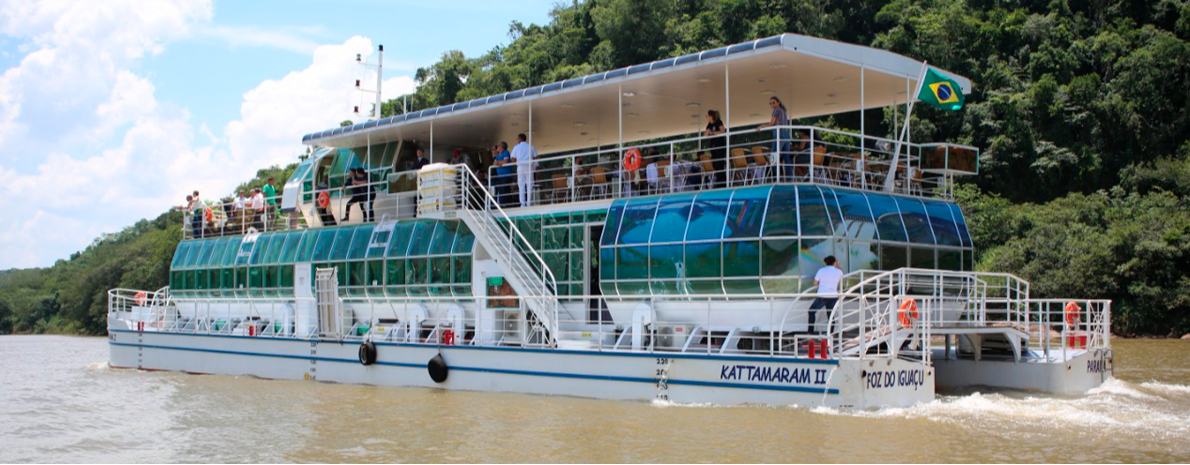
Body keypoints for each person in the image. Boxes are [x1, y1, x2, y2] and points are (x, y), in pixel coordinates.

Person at [808, 256, 844, 333]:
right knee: (830, 316)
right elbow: (842, 273)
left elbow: (815, 283)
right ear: (834, 262)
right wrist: (838, 264)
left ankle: (810, 332)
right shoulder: (838, 272)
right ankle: (830, 333)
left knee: (811, 311)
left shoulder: (821, 270)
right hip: (833, 296)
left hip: (822, 296)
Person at [758, 96, 791, 179]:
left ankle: (777, 178)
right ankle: (789, 178)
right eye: (770, 103)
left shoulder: (776, 110)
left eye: (773, 102)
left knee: (773, 157)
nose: (772, 105)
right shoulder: (783, 111)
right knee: (787, 158)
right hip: (786, 135)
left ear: (778, 103)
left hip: (780, 135)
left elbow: (772, 123)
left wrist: (761, 126)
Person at [511, 133, 538, 208]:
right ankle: (529, 202)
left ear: (520, 139)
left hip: (520, 167)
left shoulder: (516, 147)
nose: (517, 140)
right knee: (530, 185)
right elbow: (536, 158)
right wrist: (535, 167)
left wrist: (516, 162)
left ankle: (522, 203)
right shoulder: (531, 147)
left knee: (521, 185)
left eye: (517, 138)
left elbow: (513, 158)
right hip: (529, 166)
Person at [704, 110, 727, 188]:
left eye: (706, 116)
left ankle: (722, 183)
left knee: (719, 163)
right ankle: (718, 181)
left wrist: (713, 133)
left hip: (720, 145)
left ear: (711, 116)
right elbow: (705, 134)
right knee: (715, 164)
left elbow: (723, 131)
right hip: (713, 146)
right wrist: (708, 132)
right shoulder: (709, 125)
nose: (706, 118)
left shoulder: (718, 122)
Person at [492, 141, 515, 207]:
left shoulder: (506, 152)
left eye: (498, 146)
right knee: (501, 190)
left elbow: (505, 161)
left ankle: (508, 205)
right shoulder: (498, 155)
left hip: (506, 175)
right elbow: (494, 163)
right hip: (500, 176)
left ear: (501, 147)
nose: (497, 148)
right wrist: (500, 163)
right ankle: (504, 204)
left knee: (505, 190)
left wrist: (499, 163)